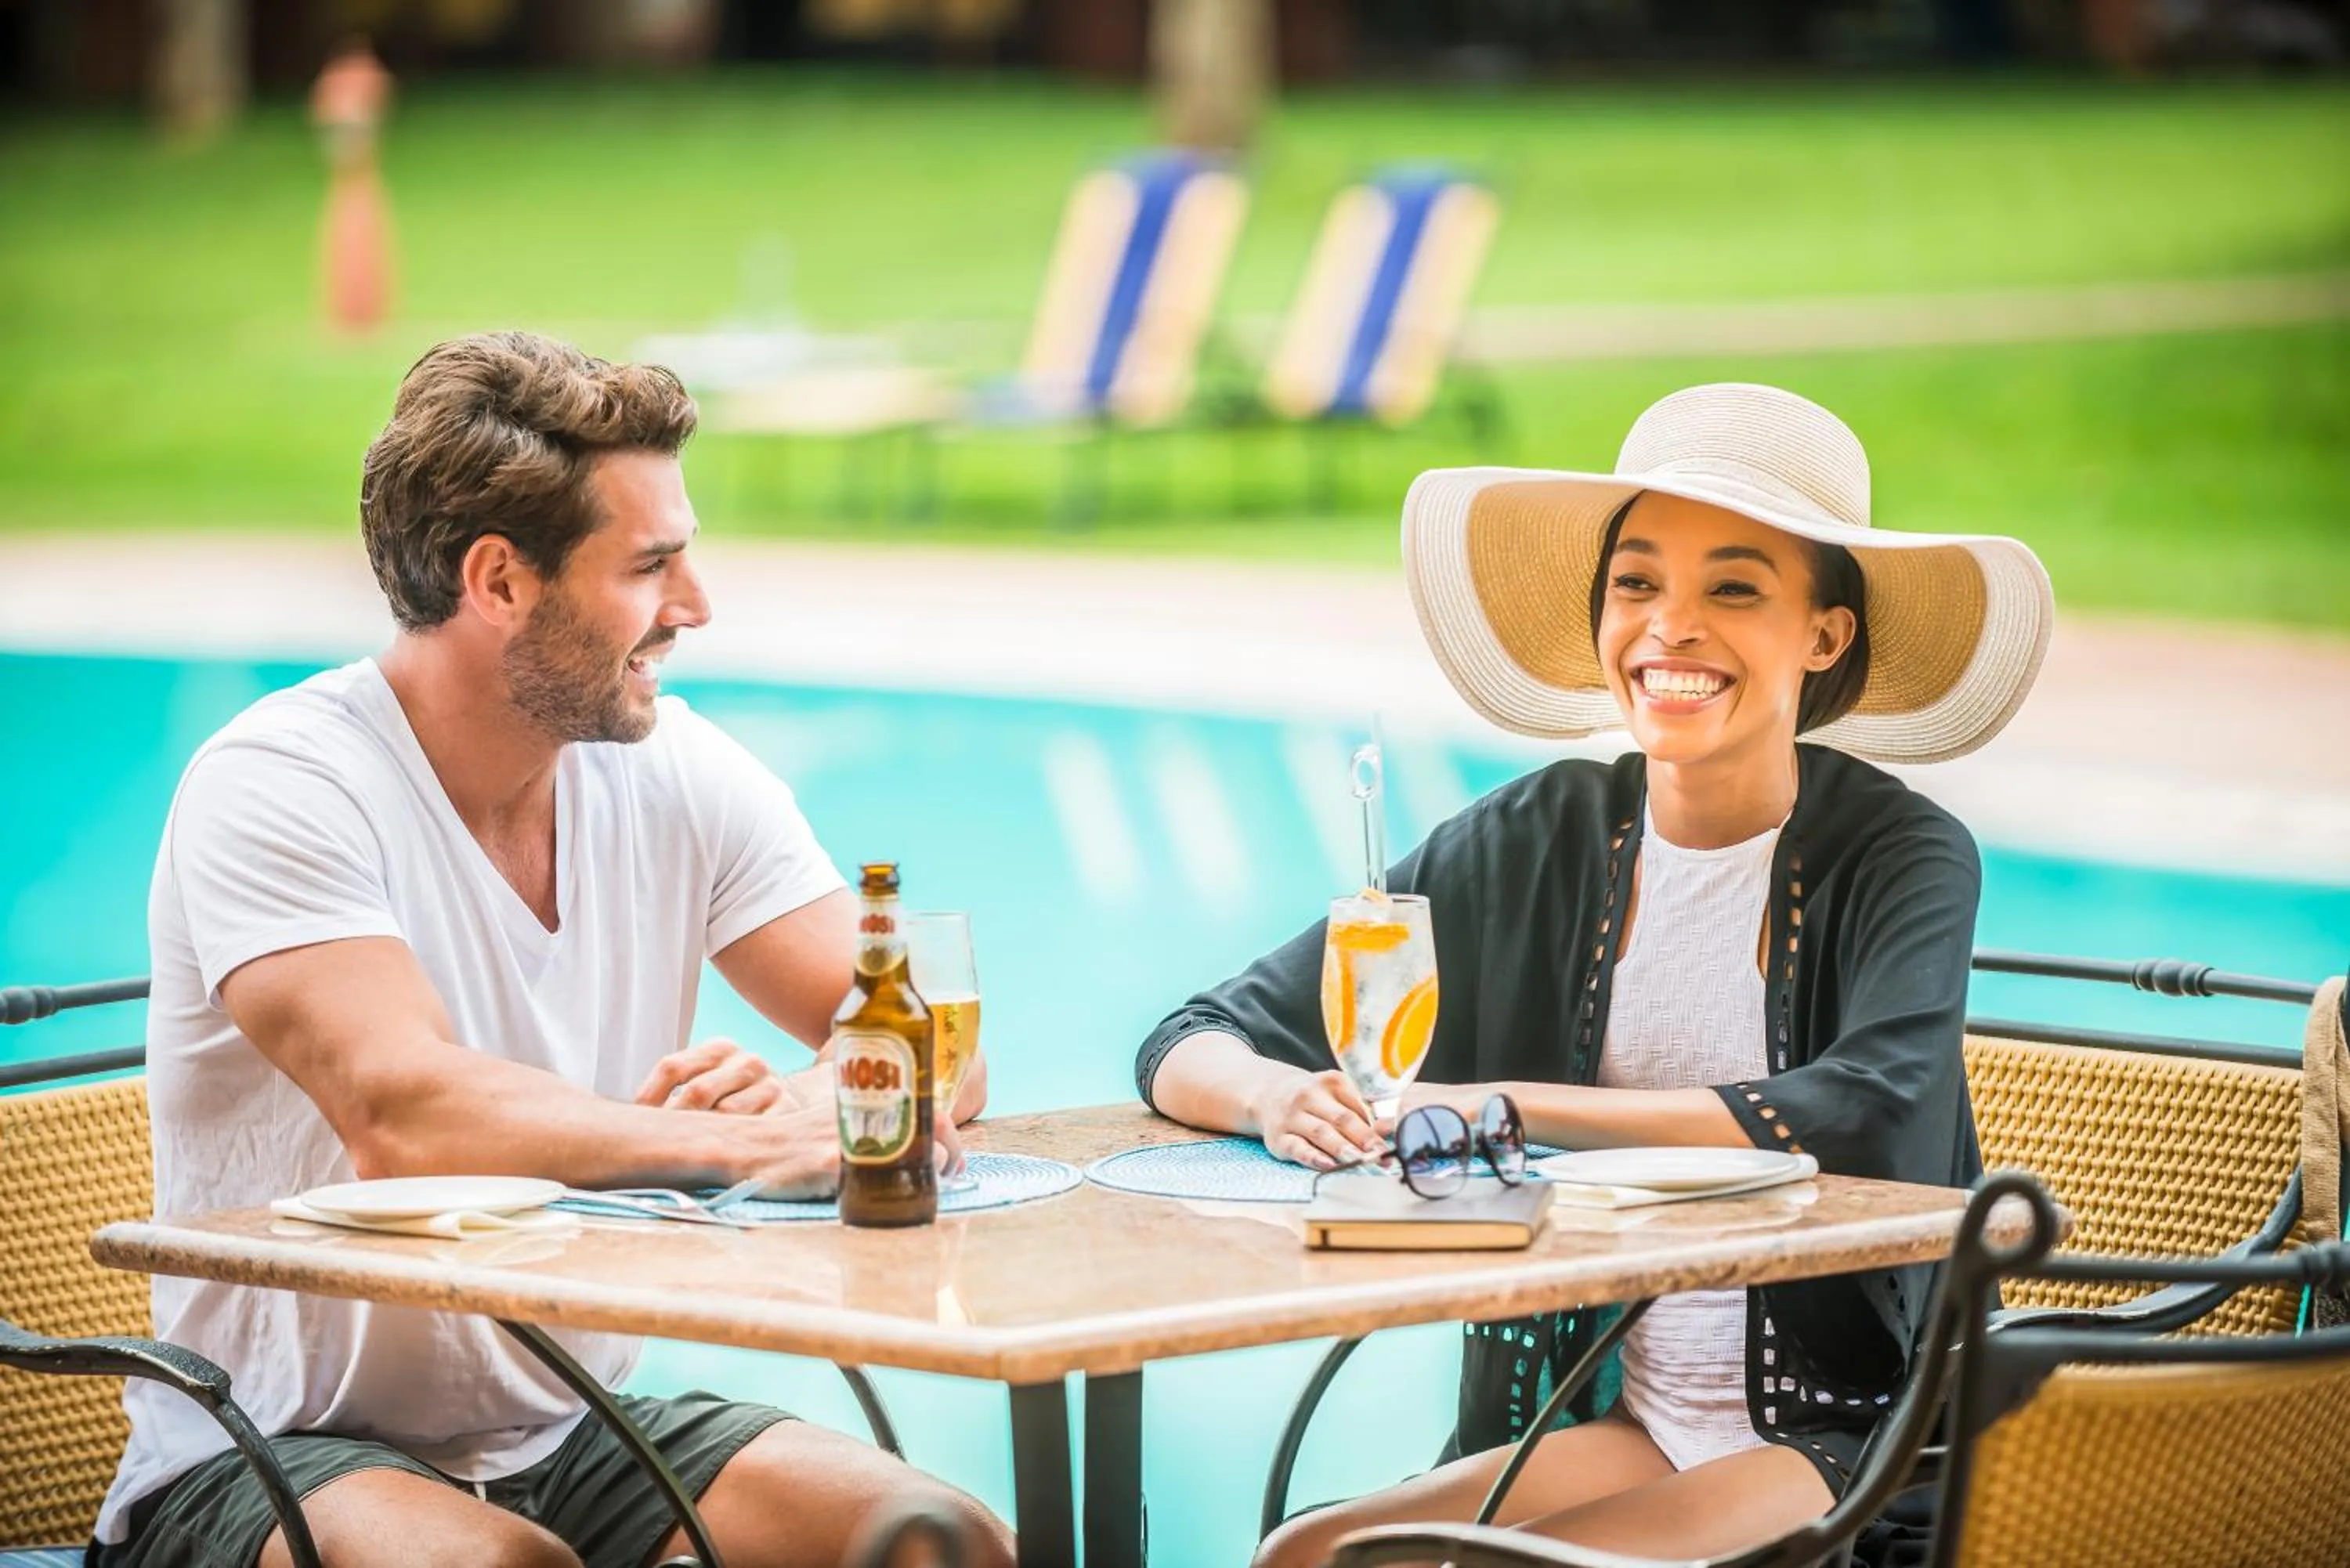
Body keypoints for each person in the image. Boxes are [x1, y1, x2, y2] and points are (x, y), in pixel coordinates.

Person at [96, 331, 1013, 1568]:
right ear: (500, 580)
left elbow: (937, 1044)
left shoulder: (676, 768)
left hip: (565, 1430)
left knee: (931, 1539)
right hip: (263, 1449)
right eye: (652, 566)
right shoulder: (280, 782)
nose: (695, 606)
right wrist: (746, 1146)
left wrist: (816, 1100)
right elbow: (404, 1113)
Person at [1137, 383, 2053, 1564]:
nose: (1670, 626)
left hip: (1849, 1435)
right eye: (1637, 582)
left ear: (1824, 633)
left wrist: (1511, 1111)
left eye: (1734, 586)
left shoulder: (1903, 852)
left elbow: (1873, 1111)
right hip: (1622, 1413)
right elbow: (1193, 1035)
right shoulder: (1535, 837)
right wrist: (1271, 1095)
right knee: (1305, 1556)